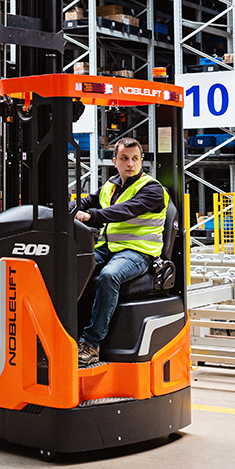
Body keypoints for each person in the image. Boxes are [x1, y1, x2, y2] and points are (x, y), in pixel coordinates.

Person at [69, 137, 169, 367]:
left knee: (109, 276)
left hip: (139, 252)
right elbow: (86, 201)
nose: (130, 164)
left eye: (135, 158)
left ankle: (91, 344)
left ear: (141, 161)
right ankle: (62, 330)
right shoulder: (111, 185)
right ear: (115, 161)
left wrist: (91, 216)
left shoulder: (153, 190)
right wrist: (59, 211)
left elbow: (124, 210)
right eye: (124, 158)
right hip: (108, 248)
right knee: (68, 264)